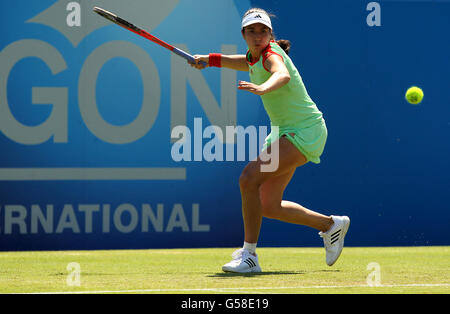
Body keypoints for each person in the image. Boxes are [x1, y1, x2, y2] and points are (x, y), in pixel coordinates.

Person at [189, 8, 350, 273]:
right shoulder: (256, 57)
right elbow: (243, 62)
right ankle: (330, 225)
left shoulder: (272, 54)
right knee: (268, 205)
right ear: (243, 33)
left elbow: (281, 74)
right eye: (251, 30)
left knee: (248, 178)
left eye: (263, 30)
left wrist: (264, 88)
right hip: (285, 131)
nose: (257, 35)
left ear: (270, 33)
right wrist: (209, 60)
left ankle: (249, 256)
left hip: (304, 130)